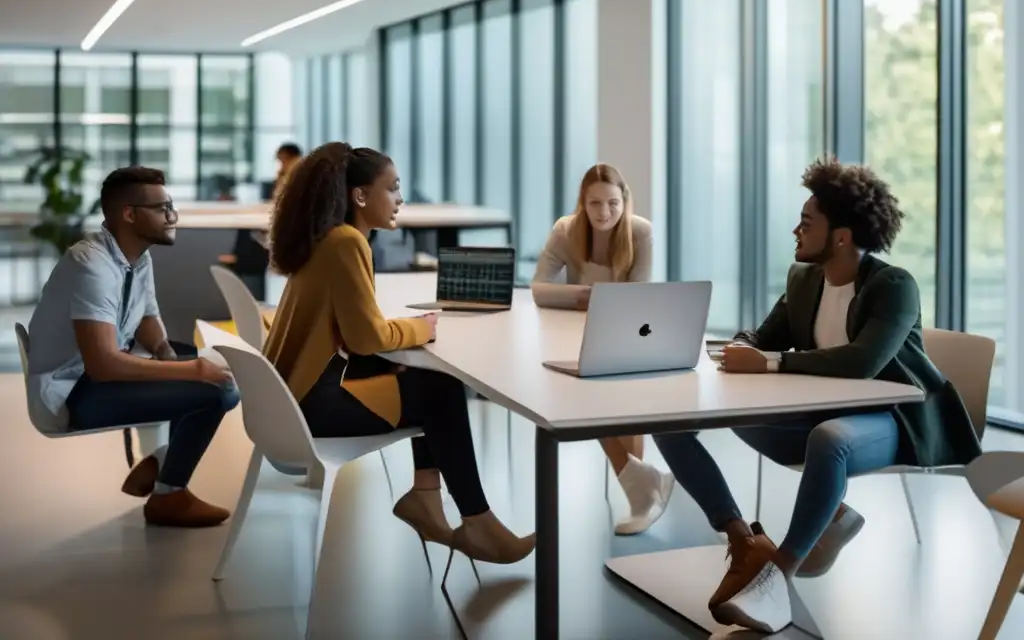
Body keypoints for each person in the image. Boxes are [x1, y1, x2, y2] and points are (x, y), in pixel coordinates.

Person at [652, 158, 982, 633]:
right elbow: (765, 335)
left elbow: (861, 362)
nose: (795, 231)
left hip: (892, 419)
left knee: (831, 439)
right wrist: (745, 346)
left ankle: (776, 578)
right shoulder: (804, 279)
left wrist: (768, 362)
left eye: (807, 223)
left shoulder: (893, 285)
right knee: (672, 421)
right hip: (817, 414)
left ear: (842, 236)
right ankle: (744, 541)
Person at [262, 142, 535, 565]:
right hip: (310, 407)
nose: (400, 199)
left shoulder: (328, 238)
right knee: (441, 389)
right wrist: (420, 327)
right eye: (393, 187)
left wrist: (402, 337)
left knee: (429, 382)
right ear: (360, 196)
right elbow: (367, 338)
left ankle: (429, 498)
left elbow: (354, 337)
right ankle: (473, 519)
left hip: (288, 400)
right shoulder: (347, 242)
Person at [27, 167, 240, 527]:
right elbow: (104, 365)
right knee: (214, 392)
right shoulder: (91, 264)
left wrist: (167, 354)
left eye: (171, 206)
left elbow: (146, 318)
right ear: (129, 214)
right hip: (73, 393)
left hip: (101, 375)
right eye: (163, 208)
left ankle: (160, 461)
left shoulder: (137, 256)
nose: (173, 216)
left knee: (223, 375)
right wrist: (190, 371)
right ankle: (168, 495)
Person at [531, 163, 672, 536]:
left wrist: (588, 300)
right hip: (578, 332)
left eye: (612, 202)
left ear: (624, 200)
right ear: (583, 203)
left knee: (623, 404)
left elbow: (638, 297)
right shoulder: (566, 230)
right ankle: (644, 487)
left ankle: (641, 496)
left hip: (632, 331)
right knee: (590, 406)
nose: (604, 212)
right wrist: (590, 297)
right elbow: (539, 289)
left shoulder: (641, 232)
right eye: (595, 203)